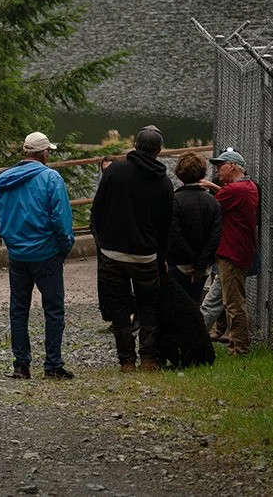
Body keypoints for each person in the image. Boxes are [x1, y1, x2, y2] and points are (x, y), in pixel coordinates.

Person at [0, 131, 76, 381]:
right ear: (44, 153)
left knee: (18, 309)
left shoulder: (4, 180)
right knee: (53, 309)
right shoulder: (51, 178)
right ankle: (52, 364)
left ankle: (21, 364)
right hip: (46, 253)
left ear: (25, 152)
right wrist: (64, 246)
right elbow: (61, 219)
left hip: (17, 254)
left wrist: (10, 238)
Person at [89, 125, 174, 373]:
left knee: (119, 308)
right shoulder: (163, 181)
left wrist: (102, 240)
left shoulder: (115, 171)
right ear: (158, 151)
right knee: (149, 306)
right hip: (146, 255)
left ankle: (126, 360)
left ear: (135, 146)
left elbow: (98, 209)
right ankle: (148, 357)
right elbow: (166, 223)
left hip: (112, 253)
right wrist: (162, 256)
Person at [200, 147, 259, 356]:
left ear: (232, 165)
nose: (218, 171)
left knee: (234, 303)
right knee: (221, 299)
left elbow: (209, 209)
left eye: (220, 166)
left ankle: (240, 348)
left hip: (231, 254)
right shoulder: (249, 186)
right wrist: (216, 187)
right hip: (241, 251)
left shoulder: (233, 191)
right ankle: (202, 336)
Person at [168, 153, 221, 302]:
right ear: (202, 173)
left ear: (179, 173)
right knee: (194, 302)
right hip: (203, 267)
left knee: (176, 304)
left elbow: (174, 234)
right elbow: (215, 235)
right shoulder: (213, 202)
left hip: (178, 262)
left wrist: (191, 259)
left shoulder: (174, 200)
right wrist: (200, 263)